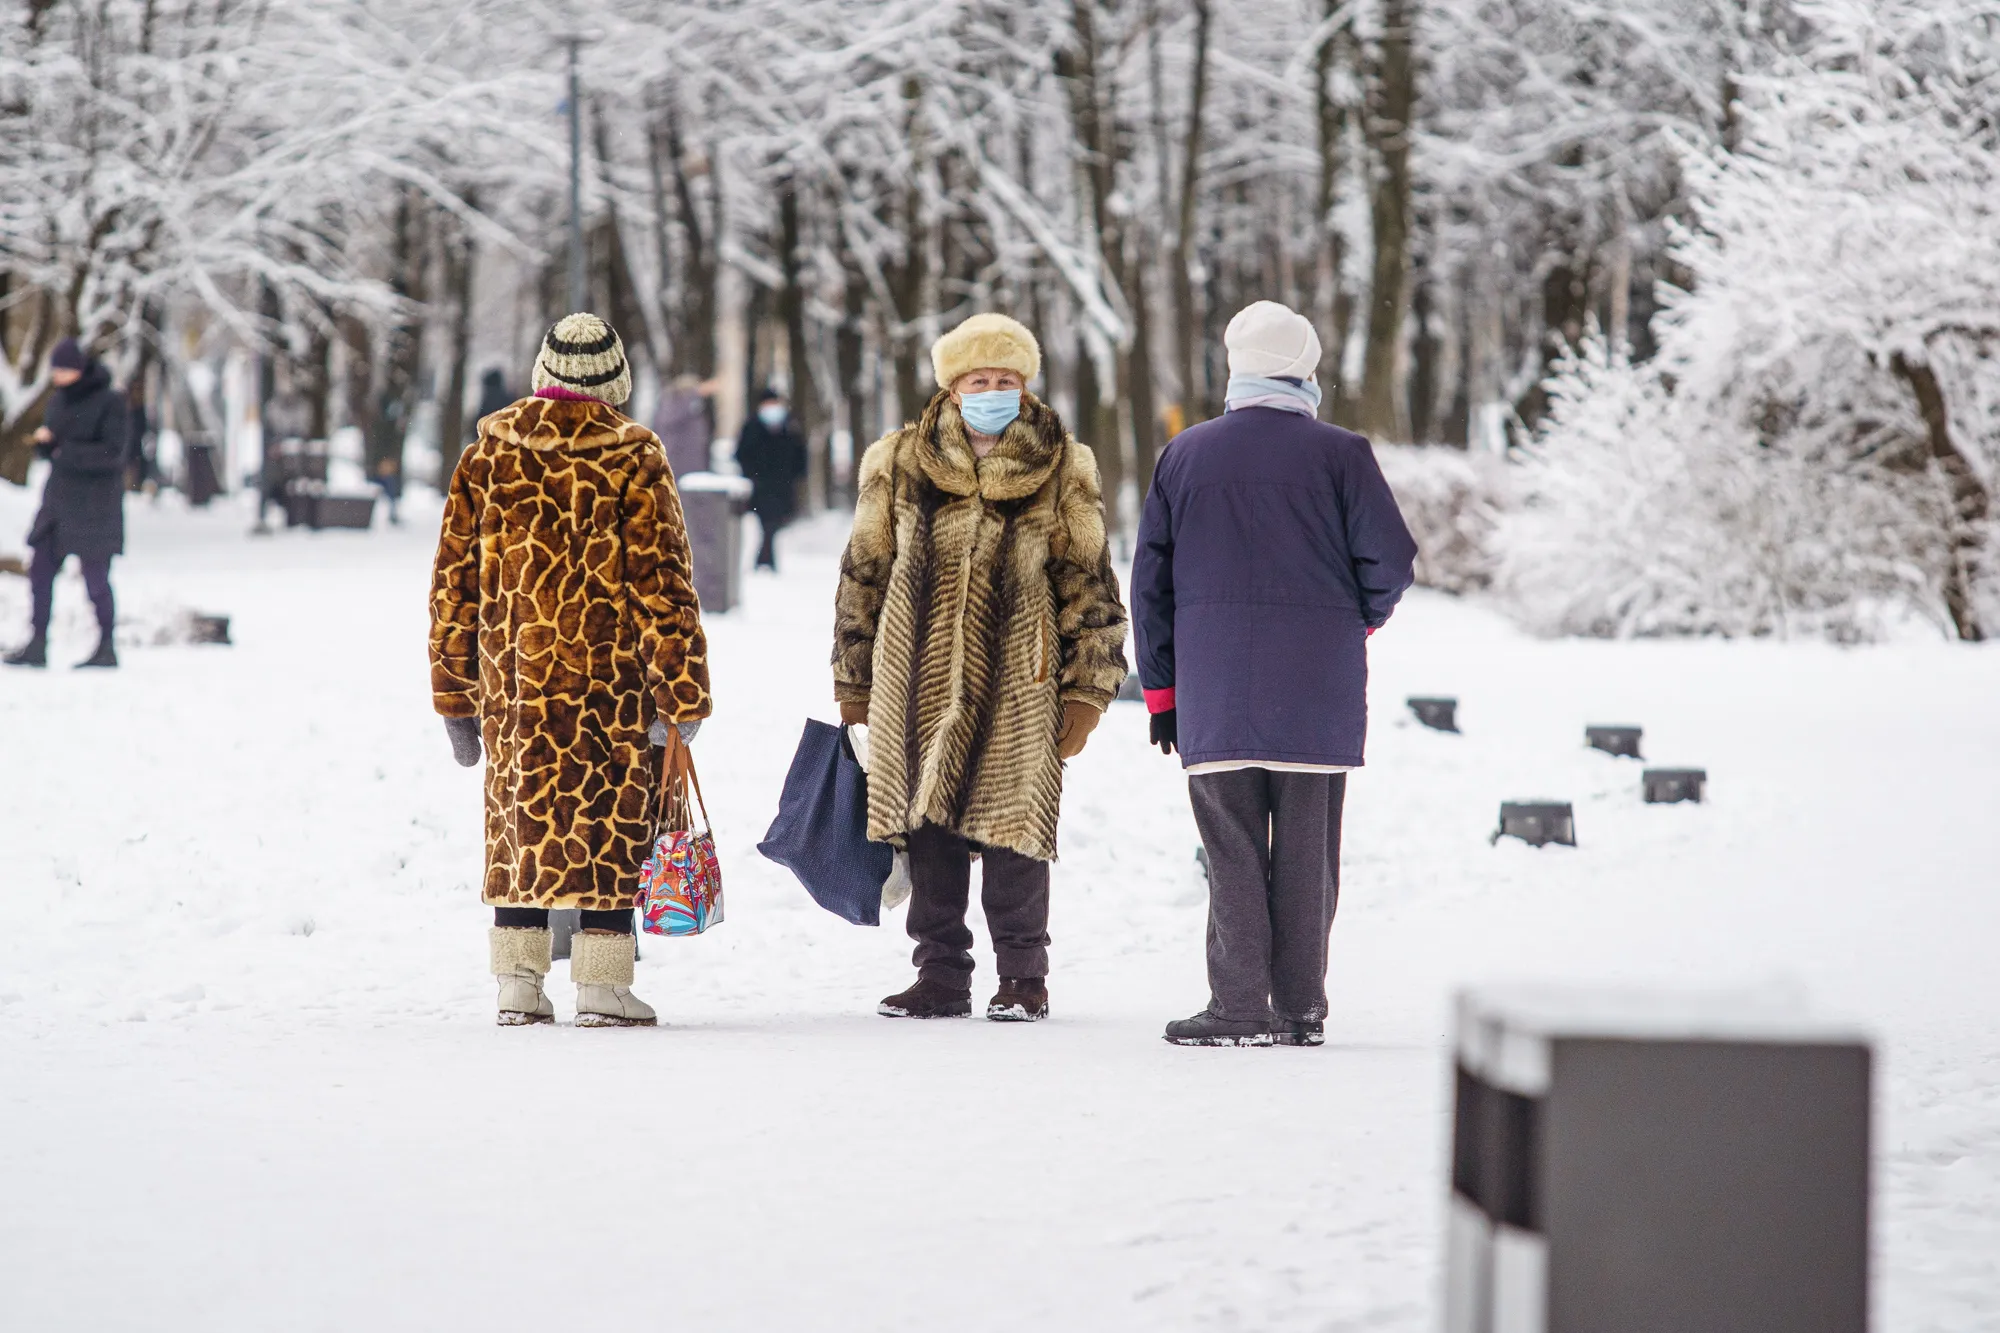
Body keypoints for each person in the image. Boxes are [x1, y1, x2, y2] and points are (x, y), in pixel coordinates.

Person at [1132, 300, 1417, 1048]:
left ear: (1235, 372)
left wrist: (1162, 690)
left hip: (1214, 690)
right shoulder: (1343, 454)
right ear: (1307, 374)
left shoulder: (1184, 456)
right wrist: (1357, 619)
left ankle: (1236, 1007)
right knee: (1306, 854)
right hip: (1316, 692)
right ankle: (1299, 1007)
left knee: (1229, 849)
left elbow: (1150, 587)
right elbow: (1391, 562)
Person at [831, 313, 1130, 1023]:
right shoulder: (900, 460)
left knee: (1014, 834)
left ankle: (1024, 977)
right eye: (978, 380)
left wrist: (1088, 688)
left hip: (1019, 682)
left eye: (1004, 380)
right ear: (953, 386)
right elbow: (862, 573)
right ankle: (940, 974)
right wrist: (854, 677)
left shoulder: (1061, 463)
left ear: (1023, 387)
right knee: (928, 829)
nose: (991, 390)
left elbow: (1089, 583)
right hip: (915, 680)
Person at [429, 313, 712, 1027]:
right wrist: (682, 692)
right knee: (609, 828)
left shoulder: (485, 456)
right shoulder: (635, 455)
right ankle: (602, 987)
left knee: (522, 826)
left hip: (513, 687)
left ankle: (518, 983)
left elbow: (452, 589)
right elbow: (664, 587)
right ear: (615, 380)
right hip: (610, 690)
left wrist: (455, 697)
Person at [6, 338, 129, 670]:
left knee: (95, 577)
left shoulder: (110, 402)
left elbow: (113, 452)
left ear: (77, 369)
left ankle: (106, 645)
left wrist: (63, 451)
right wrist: (46, 446)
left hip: (95, 505)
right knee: (41, 569)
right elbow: (56, 446)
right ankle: (37, 642)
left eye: (61, 369)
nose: (56, 376)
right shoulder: (58, 400)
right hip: (59, 501)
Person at [734, 387, 806, 570]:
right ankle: (765, 559)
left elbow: (799, 453)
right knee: (766, 522)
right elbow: (742, 454)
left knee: (774, 523)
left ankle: (764, 557)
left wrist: (797, 475)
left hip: (783, 484)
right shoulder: (751, 426)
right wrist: (750, 475)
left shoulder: (790, 426)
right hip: (760, 484)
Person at [652, 373, 715, 480]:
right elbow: (668, 421)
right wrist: (695, 394)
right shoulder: (673, 403)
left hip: (690, 461)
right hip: (679, 460)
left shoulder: (691, 406)